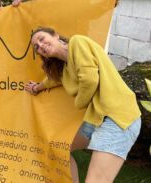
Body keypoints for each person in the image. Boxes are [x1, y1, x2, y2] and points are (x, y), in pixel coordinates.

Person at [25, 27, 141, 183]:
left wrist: (79, 102)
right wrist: (37, 87)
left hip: (118, 117)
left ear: (55, 35)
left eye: (42, 38)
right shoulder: (63, 69)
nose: (40, 45)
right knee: (59, 150)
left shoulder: (77, 43)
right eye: (37, 47)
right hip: (96, 117)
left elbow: (89, 80)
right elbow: (53, 80)